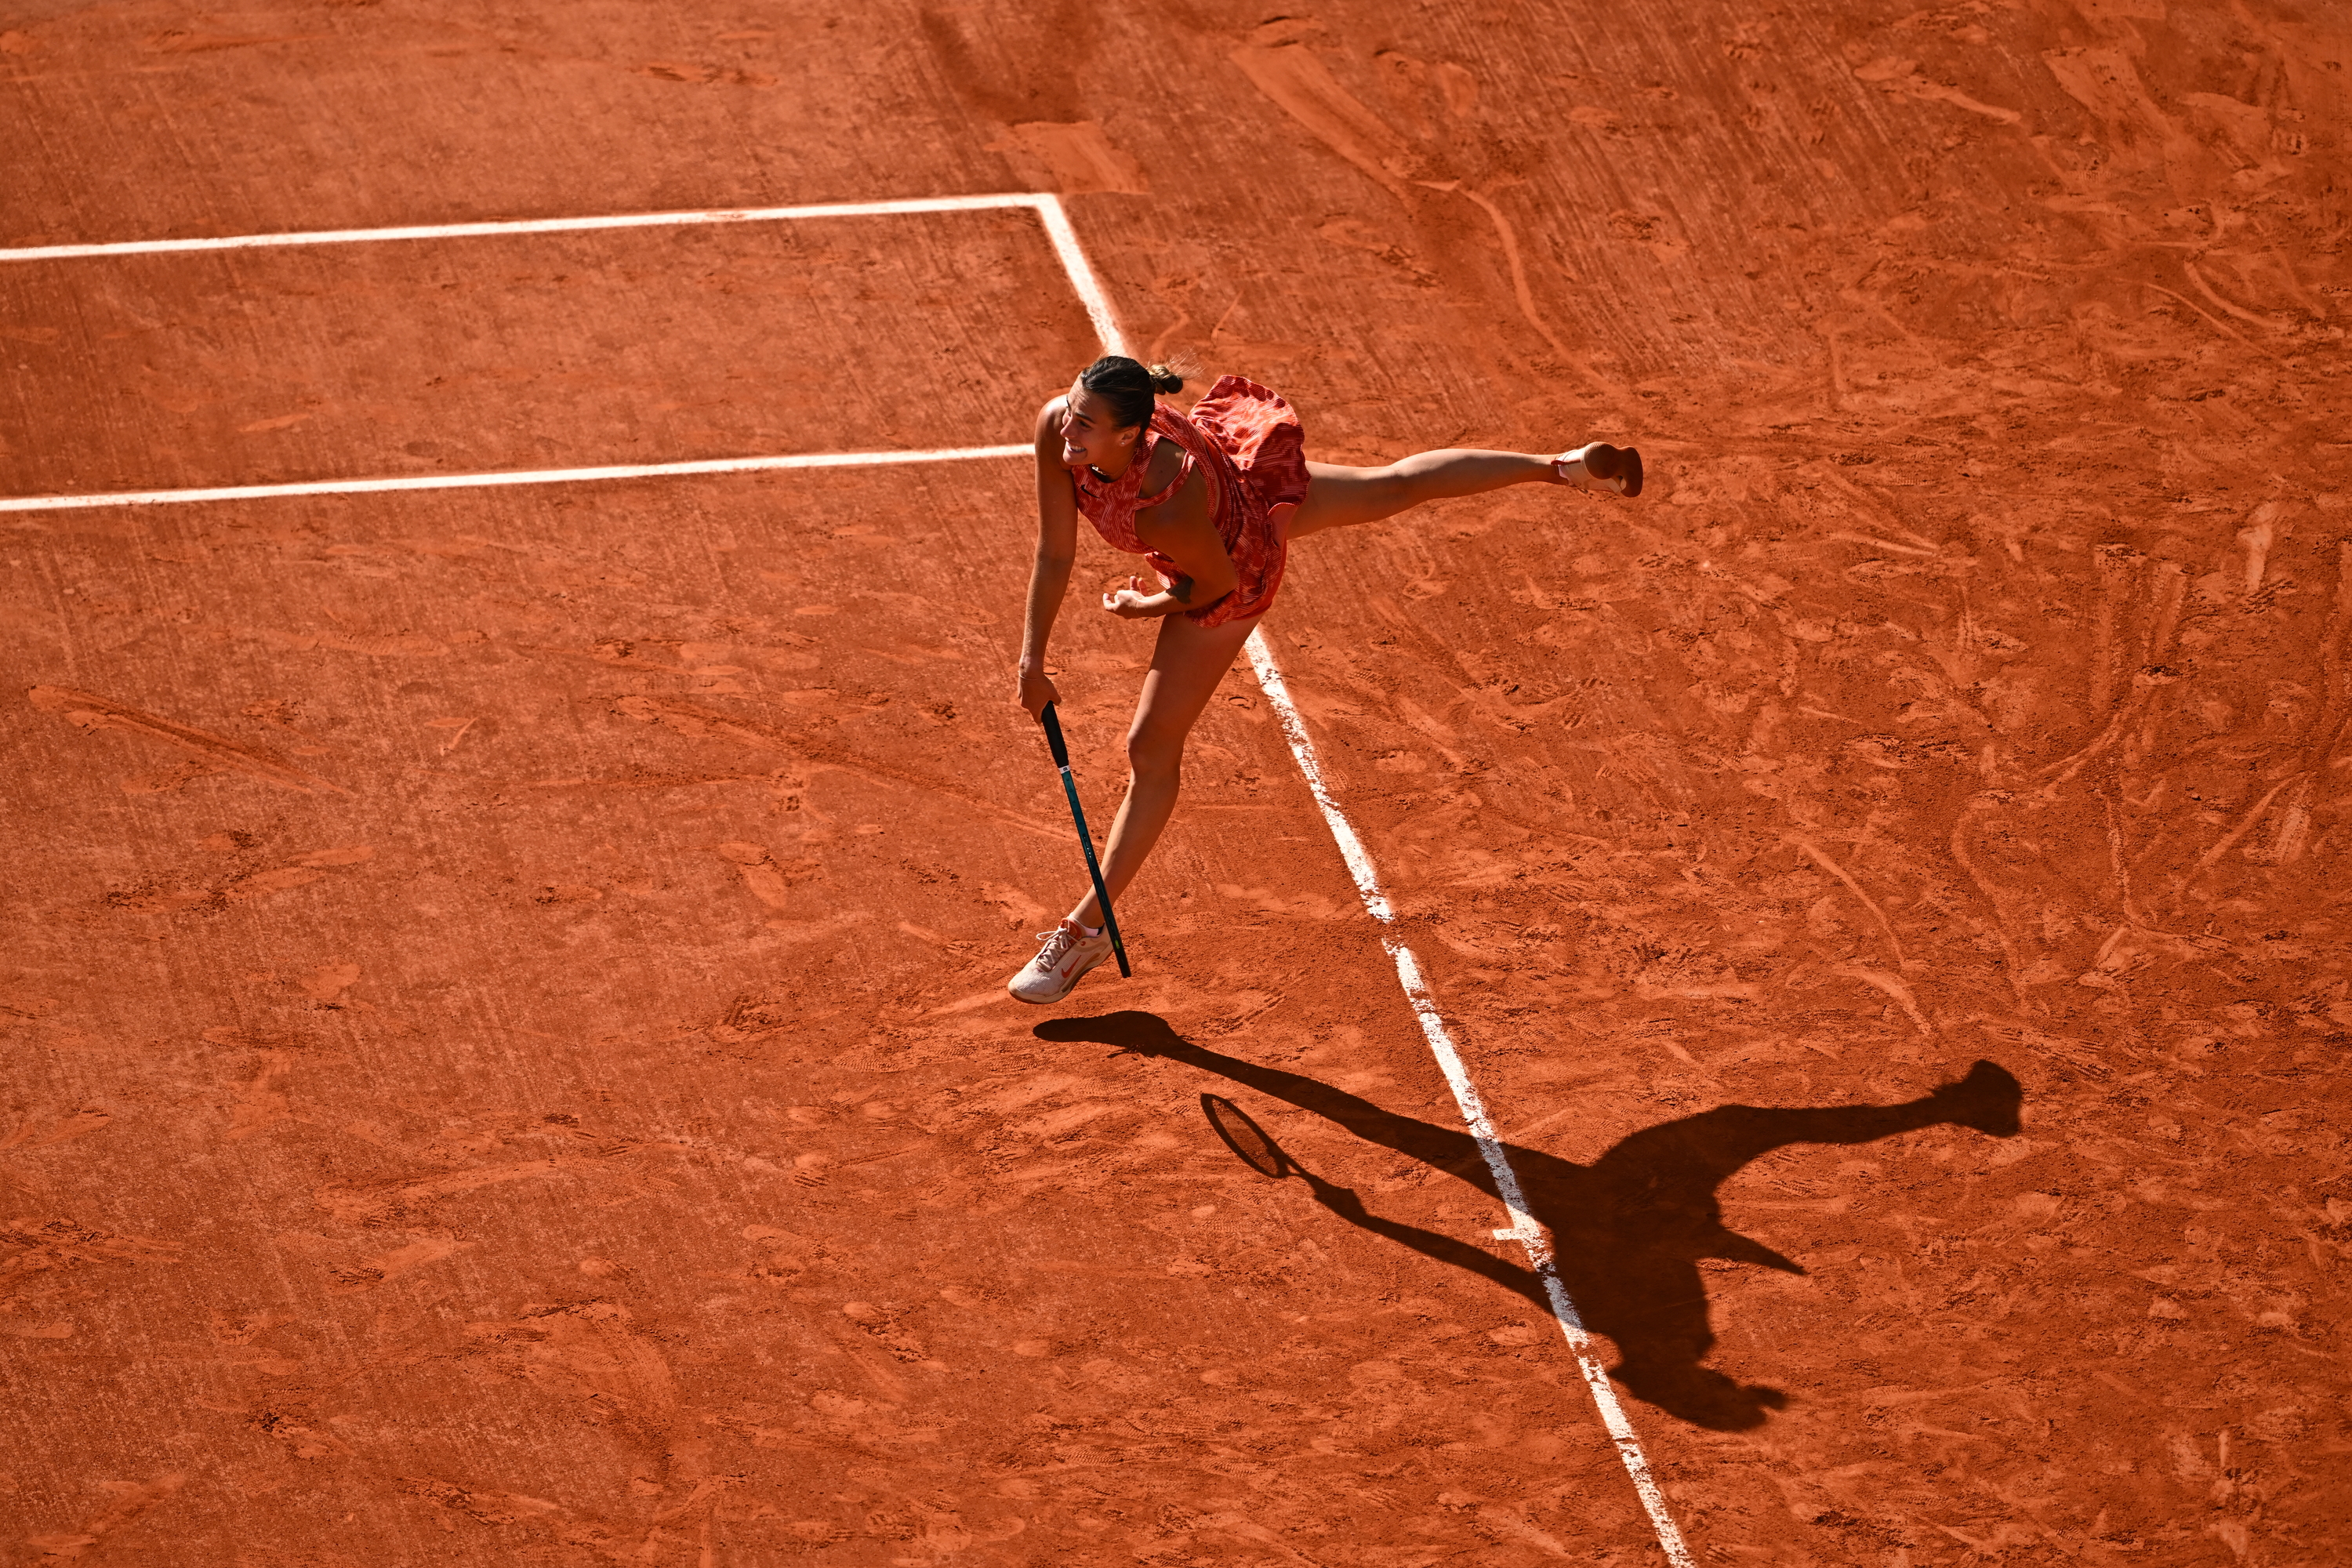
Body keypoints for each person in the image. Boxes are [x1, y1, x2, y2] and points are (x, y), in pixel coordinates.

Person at [1007, 354, 1643, 1004]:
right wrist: (1032, 662)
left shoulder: (1166, 506)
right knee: (1391, 485)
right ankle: (1562, 468)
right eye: (1070, 408)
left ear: (1128, 435)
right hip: (1240, 481)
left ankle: (1087, 930)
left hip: (1232, 560)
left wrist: (1148, 605)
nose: (1068, 431)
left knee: (1150, 748)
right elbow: (1054, 551)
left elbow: (1216, 584)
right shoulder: (1059, 428)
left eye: (1086, 423)